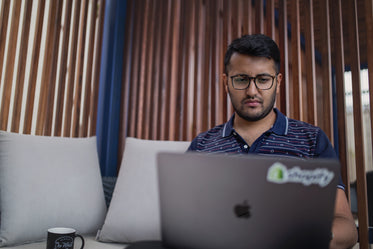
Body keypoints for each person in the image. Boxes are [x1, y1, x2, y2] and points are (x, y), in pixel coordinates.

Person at [188, 34, 358, 249]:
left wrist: (307, 238)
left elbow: (346, 227)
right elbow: (184, 218)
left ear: (277, 82)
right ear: (226, 82)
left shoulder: (312, 139)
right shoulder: (202, 145)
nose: (252, 91)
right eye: (241, 79)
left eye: (263, 79)